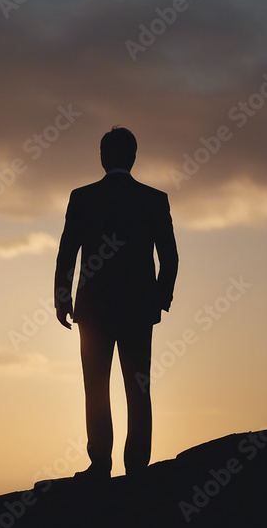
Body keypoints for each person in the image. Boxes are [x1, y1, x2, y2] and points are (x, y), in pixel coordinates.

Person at [54, 126, 178, 480]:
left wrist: (63, 298)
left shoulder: (82, 197)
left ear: (103, 157)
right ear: (134, 157)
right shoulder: (154, 200)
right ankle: (137, 467)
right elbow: (170, 259)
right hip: (139, 310)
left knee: (96, 388)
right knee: (138, 388)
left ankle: (100, 465)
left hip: (93, 310)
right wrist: (159, 300)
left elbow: (67, 253)